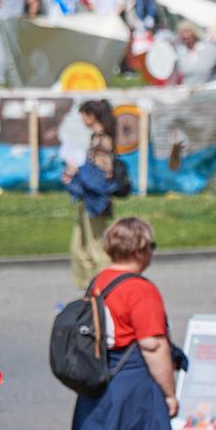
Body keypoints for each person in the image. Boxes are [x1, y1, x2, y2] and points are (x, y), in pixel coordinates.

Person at [65, 218, 178, 430]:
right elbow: (154, 344)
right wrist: (170, 393)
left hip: (101, 381)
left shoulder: (99, 281)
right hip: (131, 382)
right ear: (141, 249)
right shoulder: (140, 289)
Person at [63, 99, 120, 292]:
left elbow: (101, 175)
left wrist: (77, 171)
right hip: (87, 200)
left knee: (97, 249)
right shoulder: (97, 138)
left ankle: (104, 289)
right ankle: (89, 288)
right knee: (78, 247)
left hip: (96, 201)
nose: (81, 119)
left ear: (91, 116)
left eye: (83, 115)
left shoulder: (103, 140)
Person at [173, 22, 216, 86]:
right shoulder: (179, 52)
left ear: (194, 35)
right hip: (189, 91)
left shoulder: (210, 47)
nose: (186, 40)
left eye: (188, 37)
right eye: (184, 38)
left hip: (211, 88)